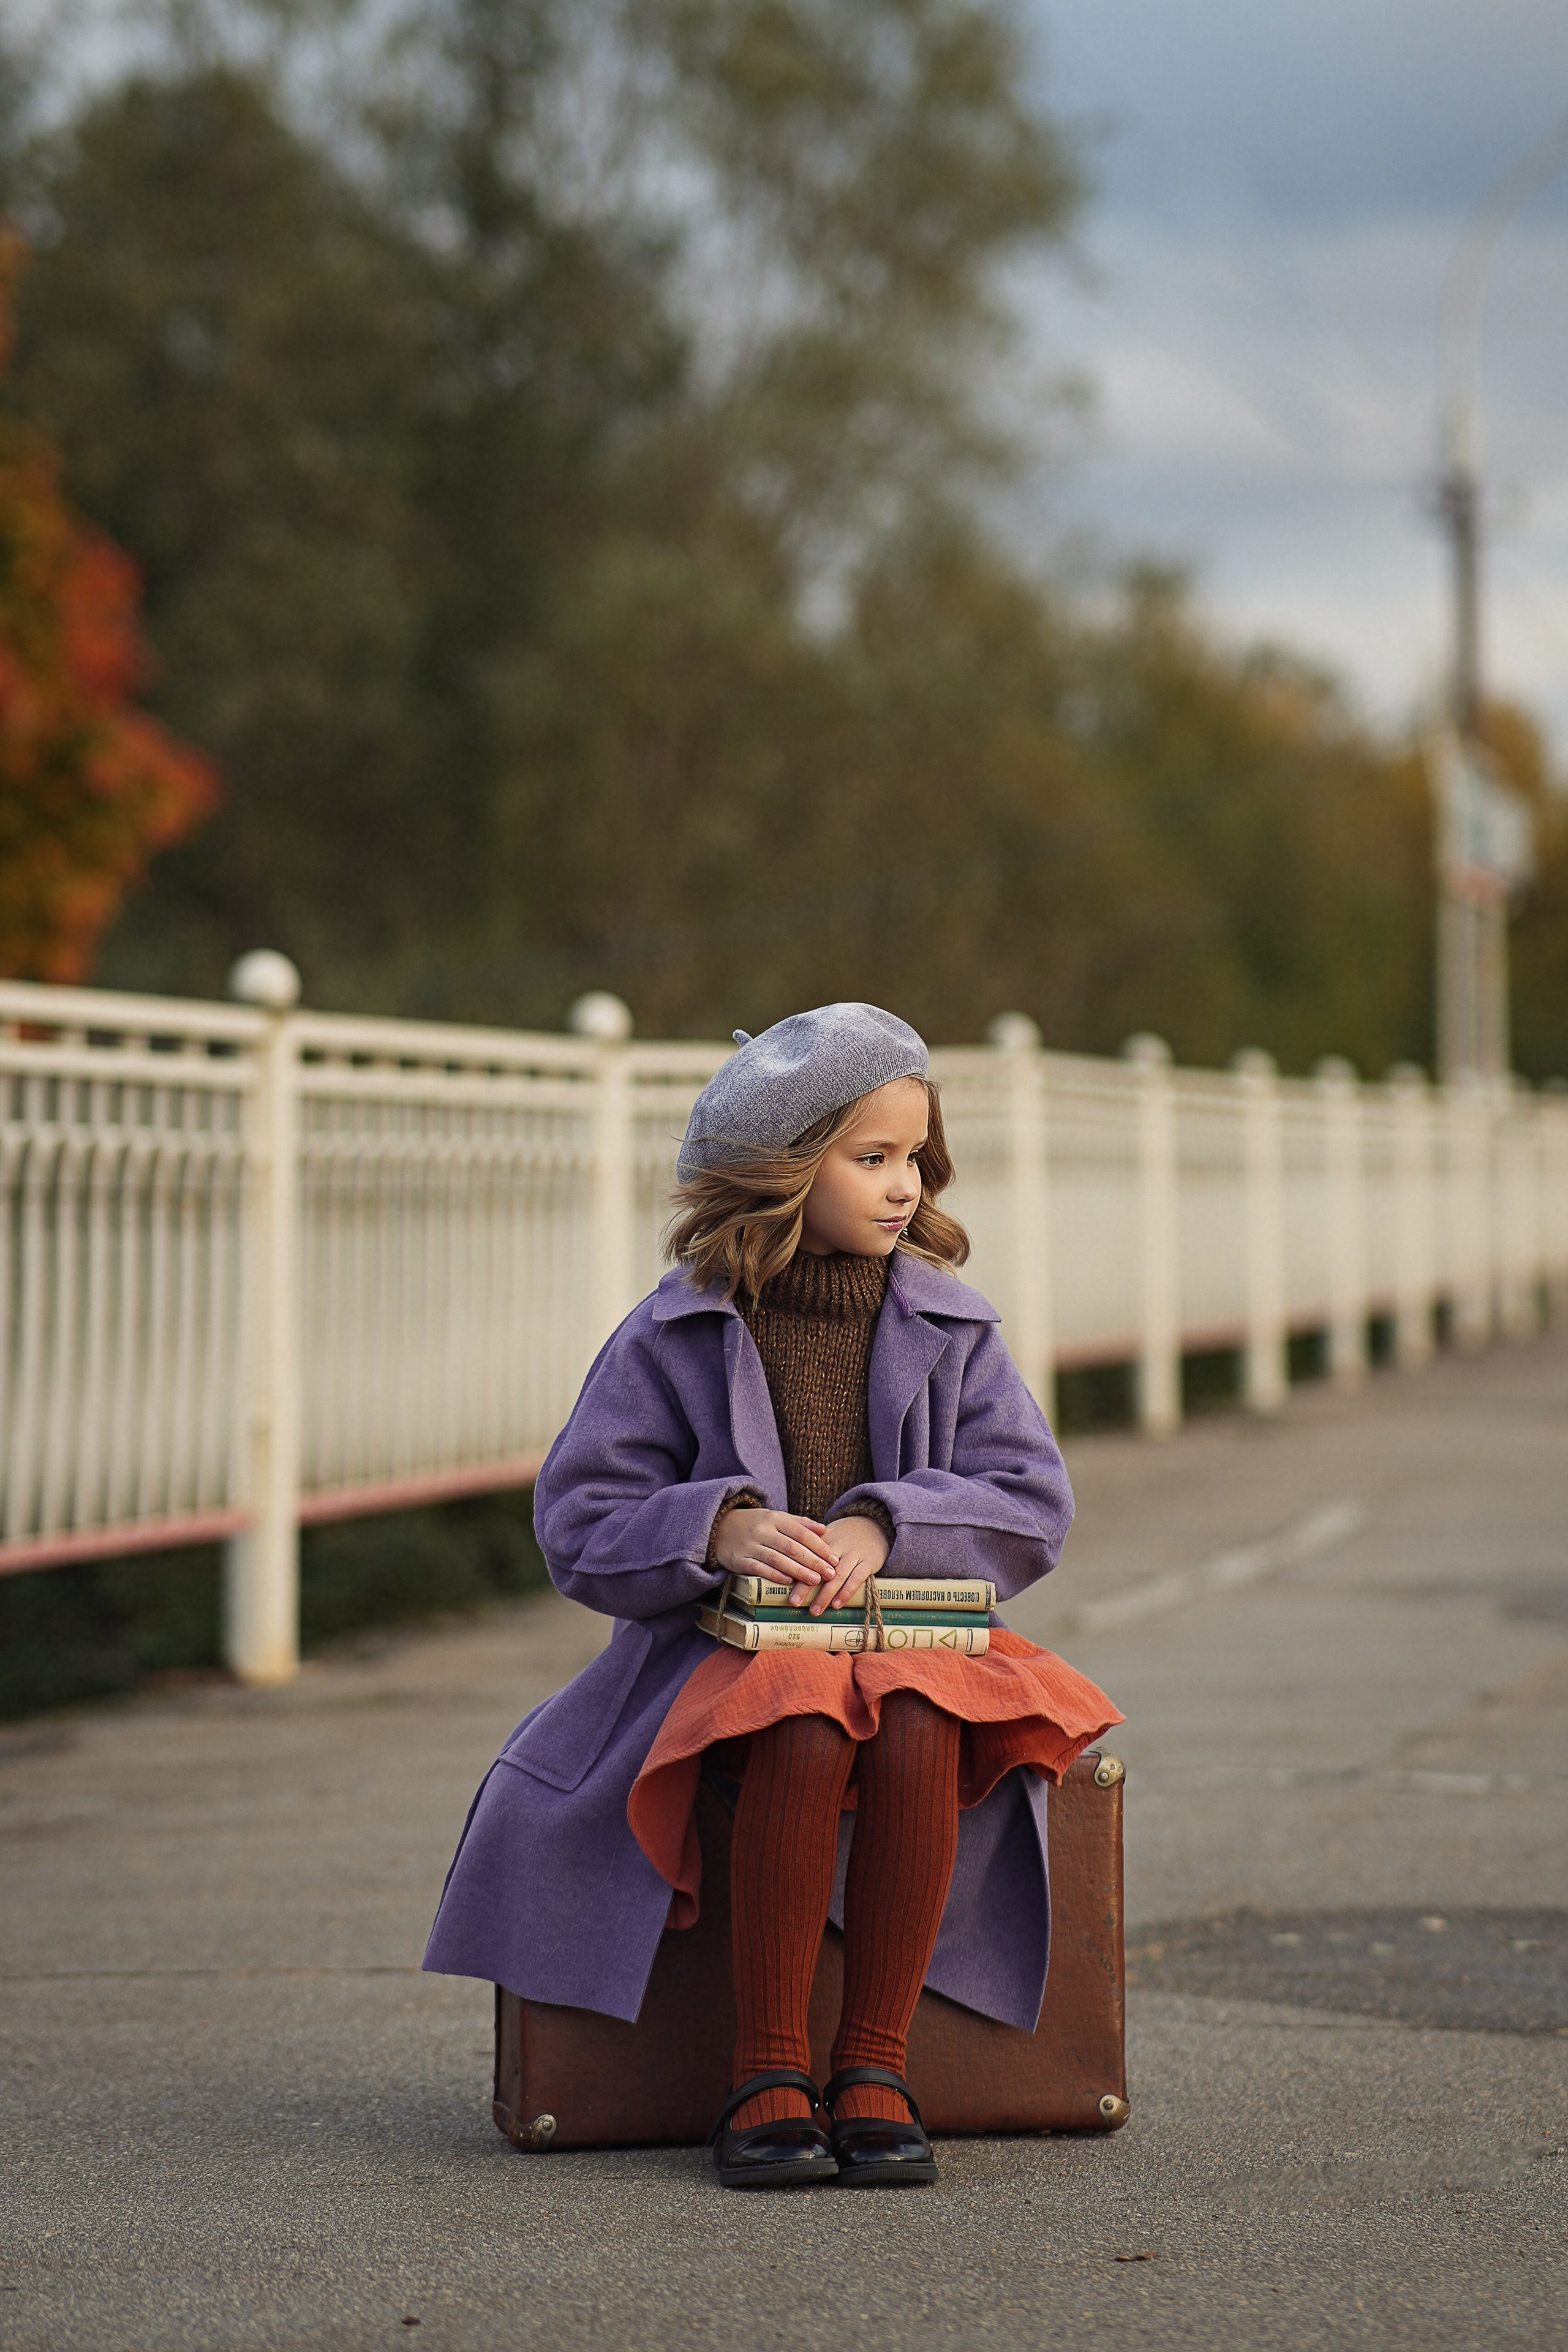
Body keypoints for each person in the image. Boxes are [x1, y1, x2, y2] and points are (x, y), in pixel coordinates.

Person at [424, 1003, 1121, 2189]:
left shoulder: (951, 1326)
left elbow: (1029, 1500)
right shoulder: (674, 1331)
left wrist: (884, 1523)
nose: (904, 1186)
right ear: (780, 1172)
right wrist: (720, 1525)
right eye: (870, 1158)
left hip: (912, 1643)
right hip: (719, 1661)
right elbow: (579, 1522)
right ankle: (765, 2074)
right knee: (795, 1711)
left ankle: (874, 2066)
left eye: (915, 1157)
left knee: (911, 1718)